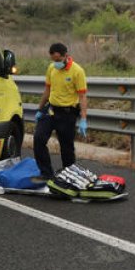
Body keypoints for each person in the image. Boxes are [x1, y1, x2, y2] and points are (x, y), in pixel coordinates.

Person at [32, 42, 88, 181]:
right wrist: (40, 109)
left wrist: (83, 119)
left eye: (58, 60)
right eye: (53, 60)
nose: (55, 63)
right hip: (50, 110)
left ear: (65, 56)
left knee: (66, 147)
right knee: (38, 139)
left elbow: (82, 96)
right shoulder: (51, 68)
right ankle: (46, 173)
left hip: (67, 113)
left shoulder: (77, 71)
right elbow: (47, 90)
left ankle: (69, 176)